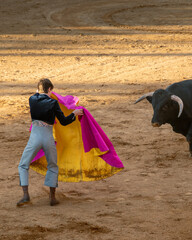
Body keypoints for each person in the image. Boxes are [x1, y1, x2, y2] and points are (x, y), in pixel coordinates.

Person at [17, 78, 83, 207]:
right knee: (52, 166)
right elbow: (64, 121)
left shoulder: (32, 99)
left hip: (35, 138)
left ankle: (25, 195)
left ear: (38, 90)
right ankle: (52, 198)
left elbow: (37, 94)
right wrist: (74, 113)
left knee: (23, 165)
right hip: (48, 138)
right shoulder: (53, 103)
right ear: (49, 89)